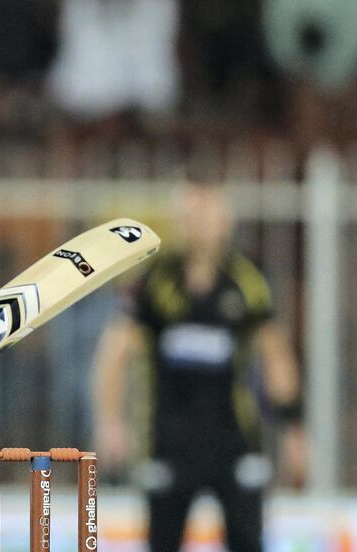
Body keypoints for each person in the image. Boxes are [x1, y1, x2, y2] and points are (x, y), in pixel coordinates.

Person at [92, 180, 307, 552]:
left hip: (235, 440)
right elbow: (115, 352)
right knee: (162, 543)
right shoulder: (154, 281)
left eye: (207, 213)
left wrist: (294, 432)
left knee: (247, 541)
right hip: (169, 441)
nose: (199, 223)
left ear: (226, 221)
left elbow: (276, 355)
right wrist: (110, 422)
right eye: (190, 214)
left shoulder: (248, 281)